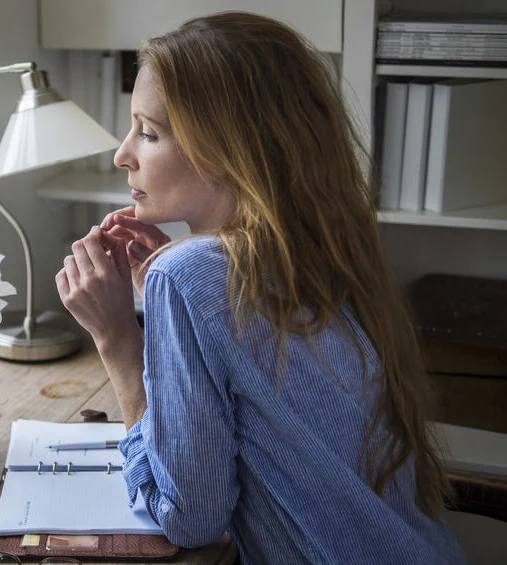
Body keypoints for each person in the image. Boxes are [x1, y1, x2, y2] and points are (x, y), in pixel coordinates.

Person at [54, 11, 465, 564]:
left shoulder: (188, 276)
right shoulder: (318, 249)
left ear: (228, 148)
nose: (121, 154)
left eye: (149, 133)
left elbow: (189, 520)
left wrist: (121, 344)